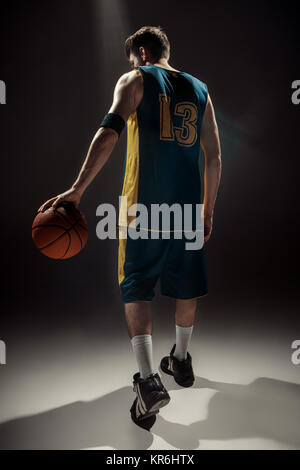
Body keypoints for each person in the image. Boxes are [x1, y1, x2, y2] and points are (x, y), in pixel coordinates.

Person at [38, 26, 222, 430]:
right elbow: (214, 158)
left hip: (142, 210)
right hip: (188, 211)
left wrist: (76, 190)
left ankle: (148, 382)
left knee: (136, 285)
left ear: (141, 52)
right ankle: (182, 360)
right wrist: (206, 211)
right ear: (165, 51)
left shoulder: (136, 78)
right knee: (186, 286)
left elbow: (108, 133)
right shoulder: (201, 89)